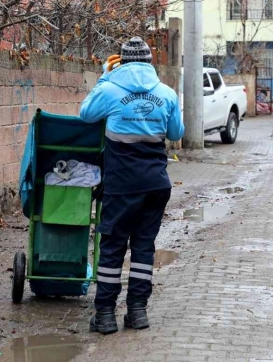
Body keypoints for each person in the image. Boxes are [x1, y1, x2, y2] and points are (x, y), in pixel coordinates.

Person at [80, 37, 184, 335]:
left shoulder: (110, 89)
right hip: (156, 185)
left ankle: (105, 315)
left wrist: (104, 77)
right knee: (143, 247)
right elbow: (176, 132)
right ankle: (137, 312)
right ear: (150, 63)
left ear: (121, 63)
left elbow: (85, 114)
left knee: (112, 247)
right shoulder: (166, 94)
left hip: (122, 184)